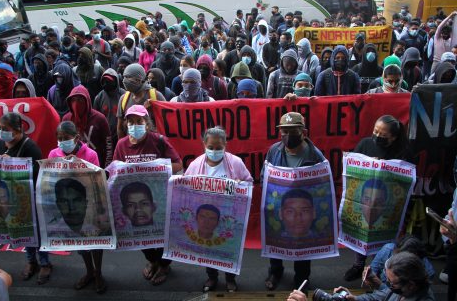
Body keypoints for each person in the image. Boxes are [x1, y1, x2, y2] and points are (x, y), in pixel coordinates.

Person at [113, 105, 182, 285]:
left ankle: (164, 266)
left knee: (163, 234)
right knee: (141, 235)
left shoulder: (158, 140)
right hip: (132, 203)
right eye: (131, 122)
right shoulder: (121, 145)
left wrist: (154, 167)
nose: (134, 125)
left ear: (147, 123)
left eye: (139, 121)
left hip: (159, 200)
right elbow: (114, 170)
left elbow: (178, 165)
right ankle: (153, 261)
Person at [262, 112, 325, 291]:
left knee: (303, 243)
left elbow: (323, 185)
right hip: (278, 206)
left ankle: (302, 278)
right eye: (284, 131)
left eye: (293, 131)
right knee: (275, 240)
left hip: (302, 207)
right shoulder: (274, 150)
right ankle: (275, 272)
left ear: (303, 132)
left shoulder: (315, 155)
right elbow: (264, 175)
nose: (287, 136)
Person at [344, 115, 412, 282]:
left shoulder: (403, 150)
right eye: (375, 131)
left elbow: (406, 176)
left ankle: (375, 269)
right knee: (362, 231)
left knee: (381, 236)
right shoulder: (366, 143)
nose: (377, 136)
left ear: (393, 137)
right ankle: (358, 265)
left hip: (386, 203)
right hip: (365, 199)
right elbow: (351, 163)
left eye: (382, 135)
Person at [185, 126, 253, 292]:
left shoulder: (236, 163)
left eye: (218, 148)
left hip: (228, 218)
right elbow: (185, 188)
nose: (214, 151)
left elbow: (249, 182)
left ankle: (230, 279)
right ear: (204, 145)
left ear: (225, 145)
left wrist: (240, 185)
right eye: (211, 147)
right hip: (205, 218)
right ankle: (212, 277)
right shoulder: (195, 165)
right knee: (208, 248)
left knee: (229, 248)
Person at [0, 113, 51, 285]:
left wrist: (13, 163)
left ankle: (45, 263)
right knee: (23, 231)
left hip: (30, 199)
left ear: (18, 130)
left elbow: (38, 175)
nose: (1, 132)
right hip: (10, 201)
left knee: (36, 231)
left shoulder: (30, 148)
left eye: (5, 129)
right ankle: (31, 261)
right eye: (0, 128)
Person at [47, 121, 107, 294]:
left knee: (94, 242)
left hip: (88, 206)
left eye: (66, 138)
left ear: (77, 138)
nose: (62, 142)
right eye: (59, 139)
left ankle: (98, 273)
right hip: (69, 208)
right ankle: (89, 272)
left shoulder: (90, 154)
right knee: (81, 243)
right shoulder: (53, 153)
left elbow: (97, 178)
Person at [336, 252, 435, 301]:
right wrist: (355, 299)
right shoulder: (403, 289)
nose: (389, 285)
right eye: (387, 280)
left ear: (411, 285)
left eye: (392, 283)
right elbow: (381, 295)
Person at [62, 85, 112, 168]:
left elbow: (108, 145)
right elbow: (62, 144)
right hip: (72, 166)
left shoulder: (100, 119)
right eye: (73, 100)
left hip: (96, 165)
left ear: (87, 101)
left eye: (80, 100)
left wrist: (107, 168)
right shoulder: (66, 119)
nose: (76, 103)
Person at [116, 63, 166, 139]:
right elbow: (120, 128)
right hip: (132, 146)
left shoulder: (156, 96)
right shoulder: (124, 99)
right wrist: (123, 146)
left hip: (152, 146)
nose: (124, 80)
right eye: (124, 77)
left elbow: (167, 123)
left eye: (128, 77)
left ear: (139, 79)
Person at [369, 235, 435, 289]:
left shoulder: (427, 273)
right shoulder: (388, 250)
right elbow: (373, 269)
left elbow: (403, 295)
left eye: (401, 259)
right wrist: (370, 276)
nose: (396, 260)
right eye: (395, 255)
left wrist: (380, 285)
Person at [93, 69, 126, 148]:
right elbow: (95, 118)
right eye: (104, 81)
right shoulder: (99, 97)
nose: (107, 83)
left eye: (109, 81)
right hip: (105, 137)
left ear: (116, 81)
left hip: (121, 135)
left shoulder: (124, 95)